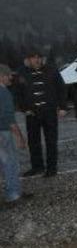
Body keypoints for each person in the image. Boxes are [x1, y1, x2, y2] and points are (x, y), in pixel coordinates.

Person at [15, 49, 67, 178]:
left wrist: (62, 107)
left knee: (51, 141)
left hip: (49, 111)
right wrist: (23, 108)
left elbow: (61, 88)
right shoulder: (21, 72)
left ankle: (52, 168)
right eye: (33, 57)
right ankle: (37, 167)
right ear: (28, 59)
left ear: (42, 58)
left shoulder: (52, 70)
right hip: (31, 113)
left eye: (39, 57)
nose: (36, 60)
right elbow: (18, 92)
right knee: (33, 142)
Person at [0, 64, 27, 204]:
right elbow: (9, 119)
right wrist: (20, 138)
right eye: (8, 75)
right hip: (3, 132)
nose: (11, 77)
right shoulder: (4, 93)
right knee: (10, 163)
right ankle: (14, 194)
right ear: (2, 76)